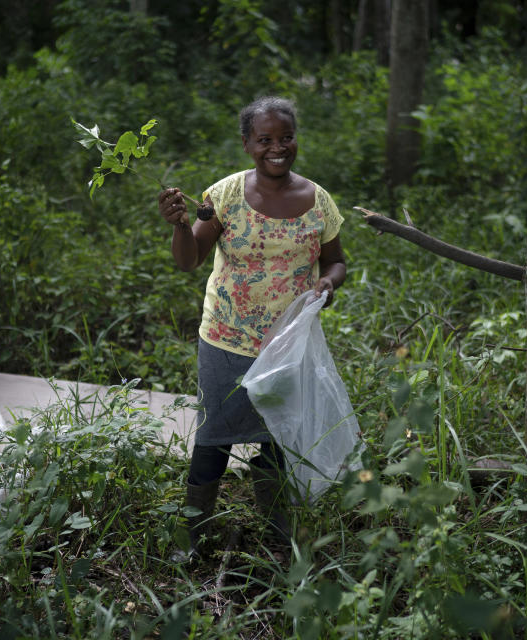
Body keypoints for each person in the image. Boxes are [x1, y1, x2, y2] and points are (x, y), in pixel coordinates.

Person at [158, 96, 346, 560]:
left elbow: (336, 261)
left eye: (285, 138)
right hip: (225, 340)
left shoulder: (318, 201)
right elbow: (189, 261)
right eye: (265, 140)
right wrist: (181, 226)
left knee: (279, 441)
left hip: (287, 347)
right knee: (213, 441)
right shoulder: (222, 196)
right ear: (247, 145)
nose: (276, 148)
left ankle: (279, 540)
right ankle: (192, 538)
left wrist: (327, 281)